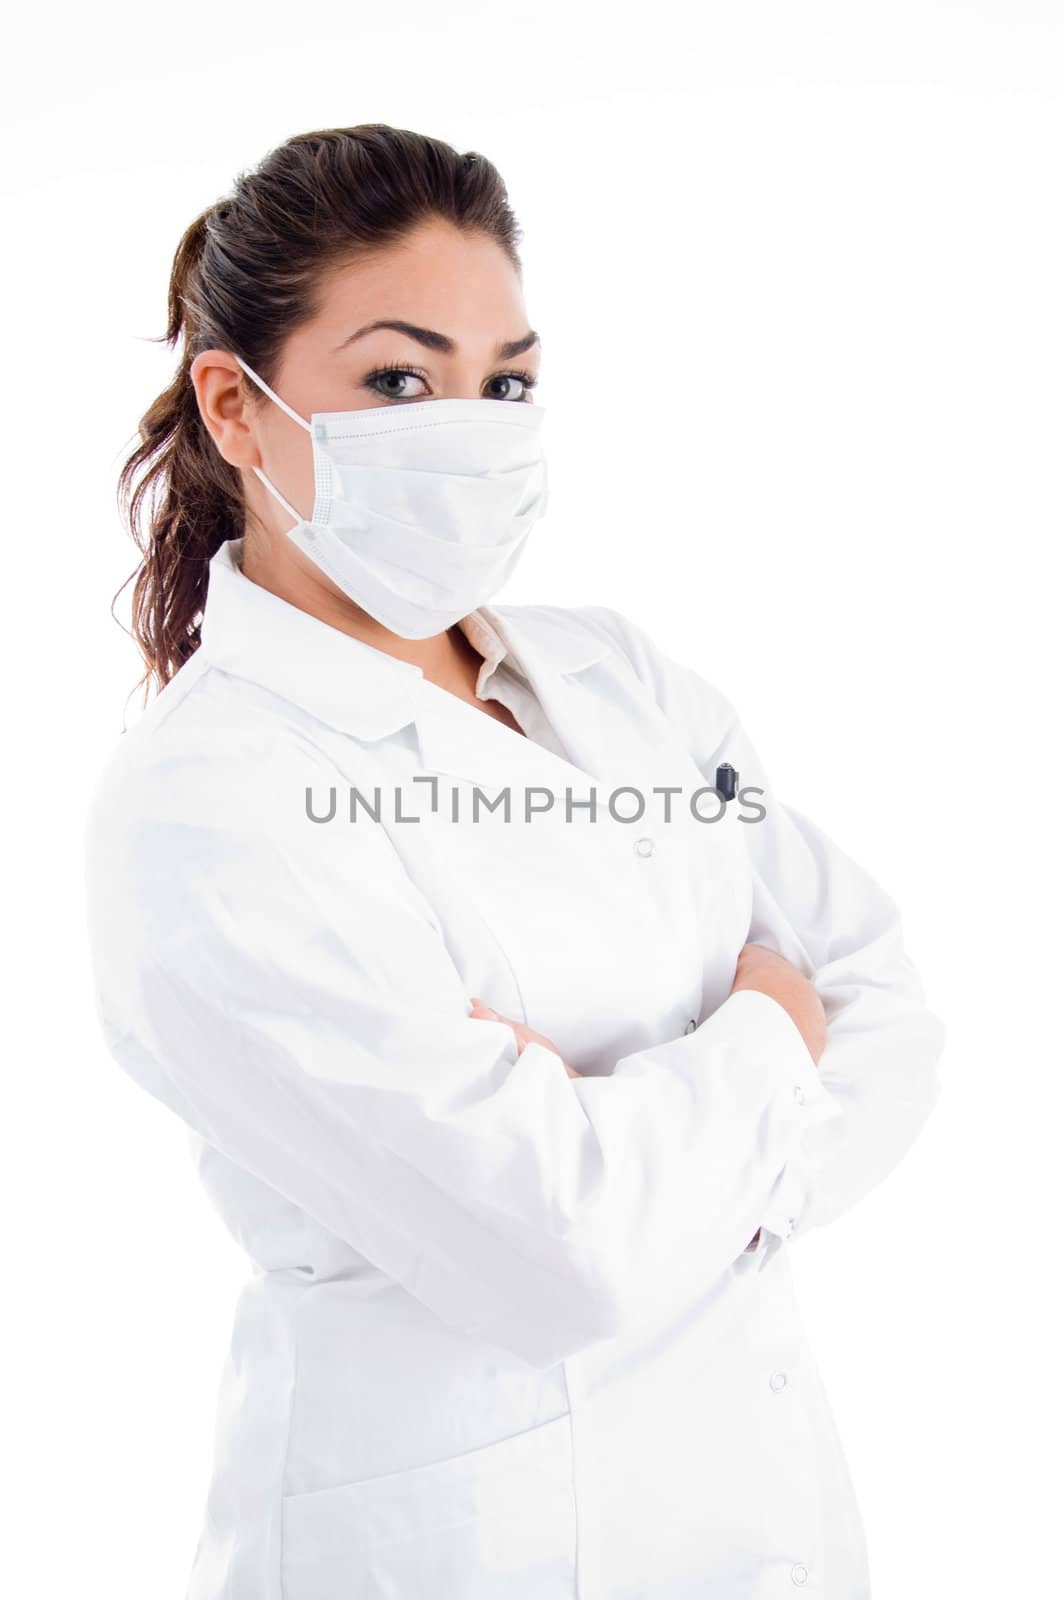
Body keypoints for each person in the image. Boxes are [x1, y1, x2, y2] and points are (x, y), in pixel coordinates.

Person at [83, 122, 946, 1600]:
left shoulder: (615, 679)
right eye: (400, 381)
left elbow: (885, 999)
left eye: (509, 381)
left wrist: (624, 1140)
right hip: (466, 1552)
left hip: (769, 1522)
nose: (470, 425)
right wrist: (761, 1027)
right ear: (236, 407)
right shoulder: (208, 802)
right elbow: (562, 1255)